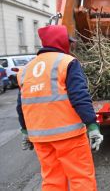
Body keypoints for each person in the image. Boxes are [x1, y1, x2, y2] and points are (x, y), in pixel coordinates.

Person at [16, 25, 103, 191]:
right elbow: (80, 97)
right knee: (81, 177)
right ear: (62, 42)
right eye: (69, 42)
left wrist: (25, 131)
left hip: (41, 137)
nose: (70, 46)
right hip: (69, 136)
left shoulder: (26, 70)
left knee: (52, 180)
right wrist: (92, 126)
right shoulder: (67, 62)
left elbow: (21, 106)